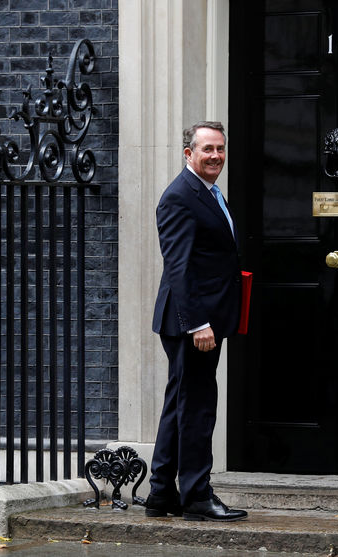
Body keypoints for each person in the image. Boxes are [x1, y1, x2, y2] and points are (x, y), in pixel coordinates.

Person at [145, 121, 248, 522]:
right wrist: (198, 323)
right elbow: (178, 267)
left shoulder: (206, 192)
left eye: (220, 149)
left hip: (203, 319)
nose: (216, 156)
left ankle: (160, 494)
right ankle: (197, 496)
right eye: (207, 149)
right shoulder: (180, 197)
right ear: (188, 153)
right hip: (192, 325)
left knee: (180, 404)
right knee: (198, 408)